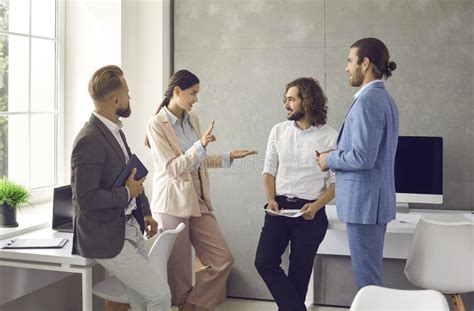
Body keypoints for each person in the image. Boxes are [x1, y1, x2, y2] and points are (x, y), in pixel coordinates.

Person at [145, 69, 257, 311]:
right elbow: (173, 168)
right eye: (192, 93)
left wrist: (228, 157)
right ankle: (186, 304)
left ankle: (191, 306)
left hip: (198, 198)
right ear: (177, 91)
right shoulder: (156, 125)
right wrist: (201, 145)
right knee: (181, 275)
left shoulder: (192, 120)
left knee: (222, 259)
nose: (196, 99)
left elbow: (197, 159)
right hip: (172, 202)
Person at [71, 65, 171, 311]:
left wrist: (145, 212)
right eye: (127, 93)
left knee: (140, 300)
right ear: (116, 99)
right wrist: (127, 193)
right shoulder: (89, 139)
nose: (130, 98)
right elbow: (86, 198)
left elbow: (131, 176)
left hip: (131, 227)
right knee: (159, 295)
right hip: (107, 237)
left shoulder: (114, 130)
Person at [317, 37, 399, 289]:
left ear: (365, 63)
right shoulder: (382, 99)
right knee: (369, 276)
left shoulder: (367, 101)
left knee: (367, 280)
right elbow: (370, 151)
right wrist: (340, 150)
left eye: (350, 61)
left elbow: (364, 158)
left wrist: (328, 159)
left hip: (365, 205)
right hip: (370, 203)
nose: (346, 67)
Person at [254, 77, 337, 311]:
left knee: (299, 276)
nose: (286, 104)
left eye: (291, 99)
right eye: (286, 99)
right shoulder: (278, 131)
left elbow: (337, 183)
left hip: (311, 212)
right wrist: (271, 199)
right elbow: (269, 170)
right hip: (278, 208)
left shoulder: (331, 136)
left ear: (307, 101)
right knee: (264, 261)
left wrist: (317, 206)